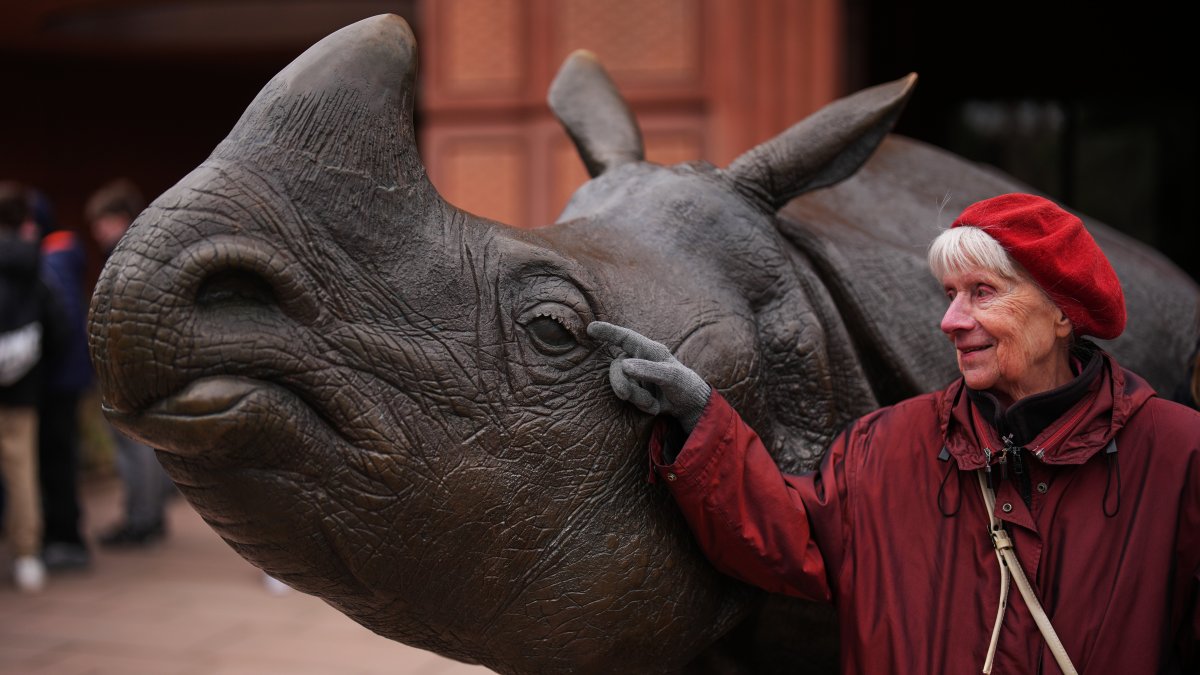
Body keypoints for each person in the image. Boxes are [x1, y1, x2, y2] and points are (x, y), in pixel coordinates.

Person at [589, 193, 1199, 674]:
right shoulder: (886, 444)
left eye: (982, 293)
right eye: (950, 295)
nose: (951, 320)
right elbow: (789, 535)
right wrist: (697, 419)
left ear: (1064, 311)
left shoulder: (1179, 453)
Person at [86, 179, 176, 547]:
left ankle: (141, 521)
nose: (96, 231)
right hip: (151, 362)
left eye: (101, 221)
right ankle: (149, 516)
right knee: (147, 445)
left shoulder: (124, 255)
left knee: (134, 445)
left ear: (119, 218)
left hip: (131, 366)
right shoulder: (153, 249)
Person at [0, 182, 65, 592]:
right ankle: (26, 556)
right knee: (22, 472)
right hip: (22, 388)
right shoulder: (34, 265)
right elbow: (58, 324)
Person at [34, 189, 95, 570]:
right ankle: (66, 536)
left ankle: (66, 539)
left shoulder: (51, 262)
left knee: (57, 461)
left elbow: (62, 324)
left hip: (56, 382)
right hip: (67, 379)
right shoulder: (63, 257)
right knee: (62, 459)